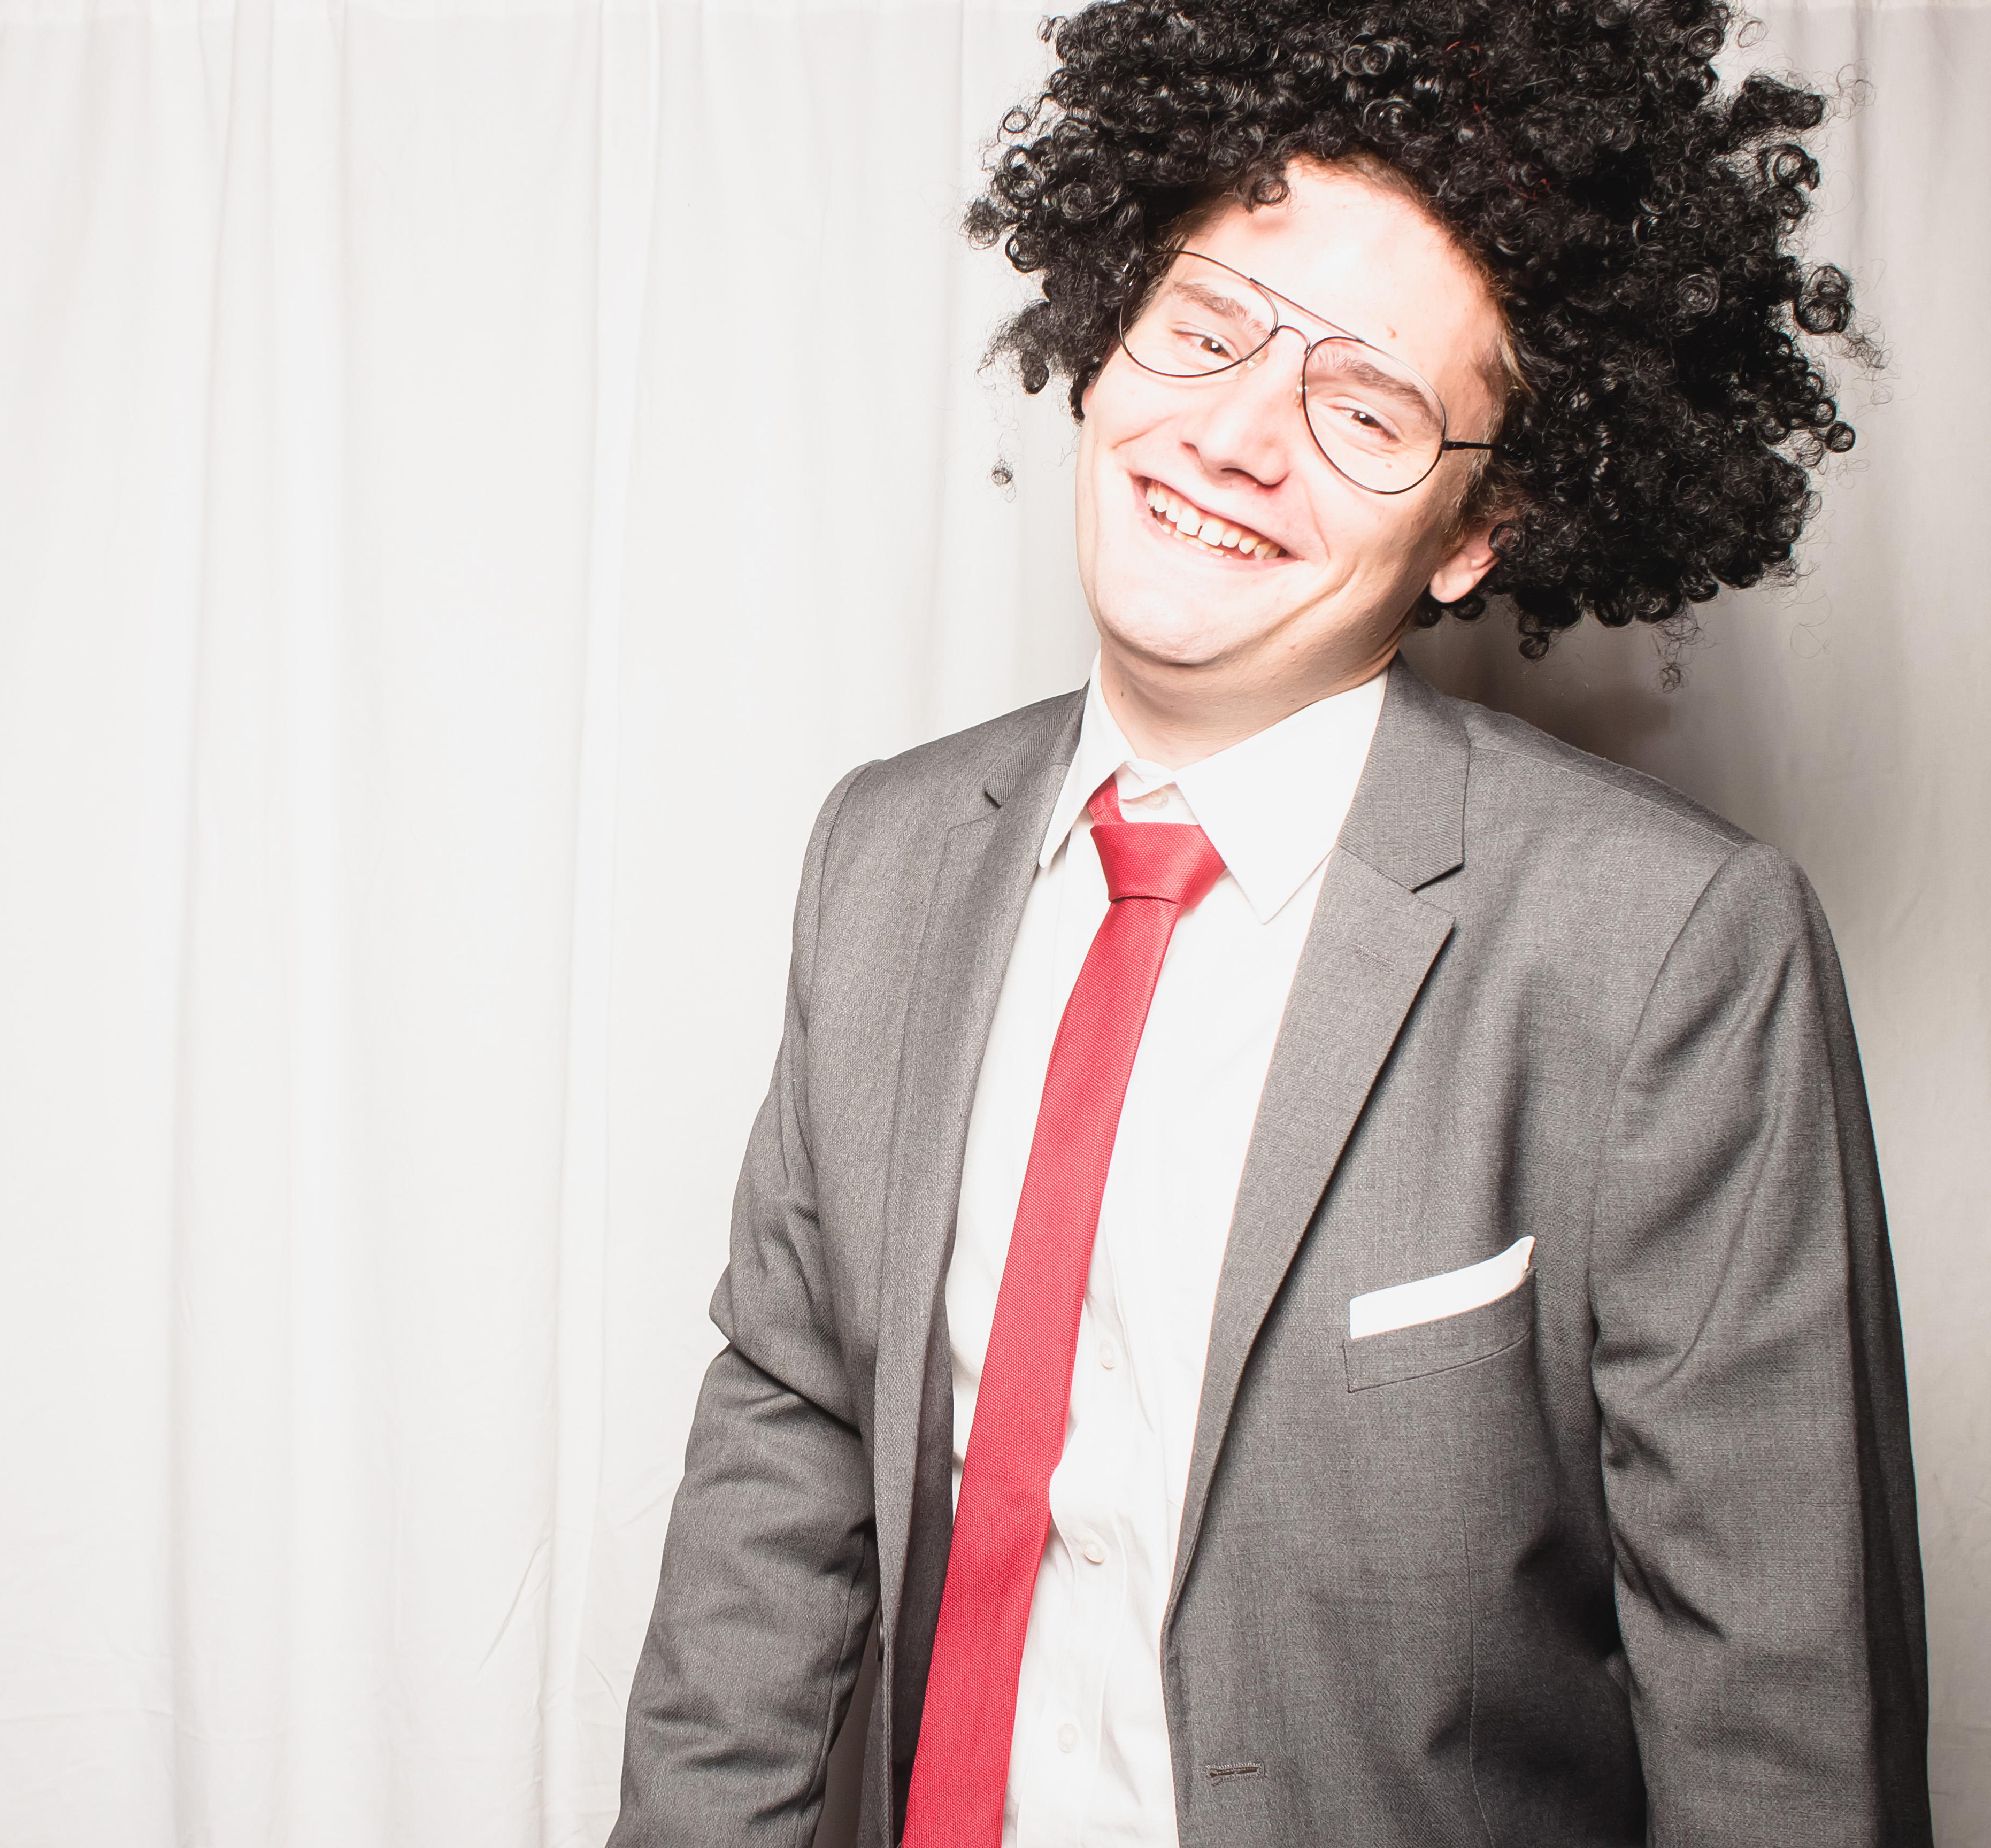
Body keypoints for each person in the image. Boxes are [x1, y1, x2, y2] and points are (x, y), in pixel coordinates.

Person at [612, 3, 1928, 1845]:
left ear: (1474, 533)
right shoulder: (885, 854)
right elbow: (789, 1438)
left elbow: (1780, 1722)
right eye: (1207, 326)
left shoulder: (1669, 952)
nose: (1233, 435)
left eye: (1364, 408)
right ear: (1106, 334)